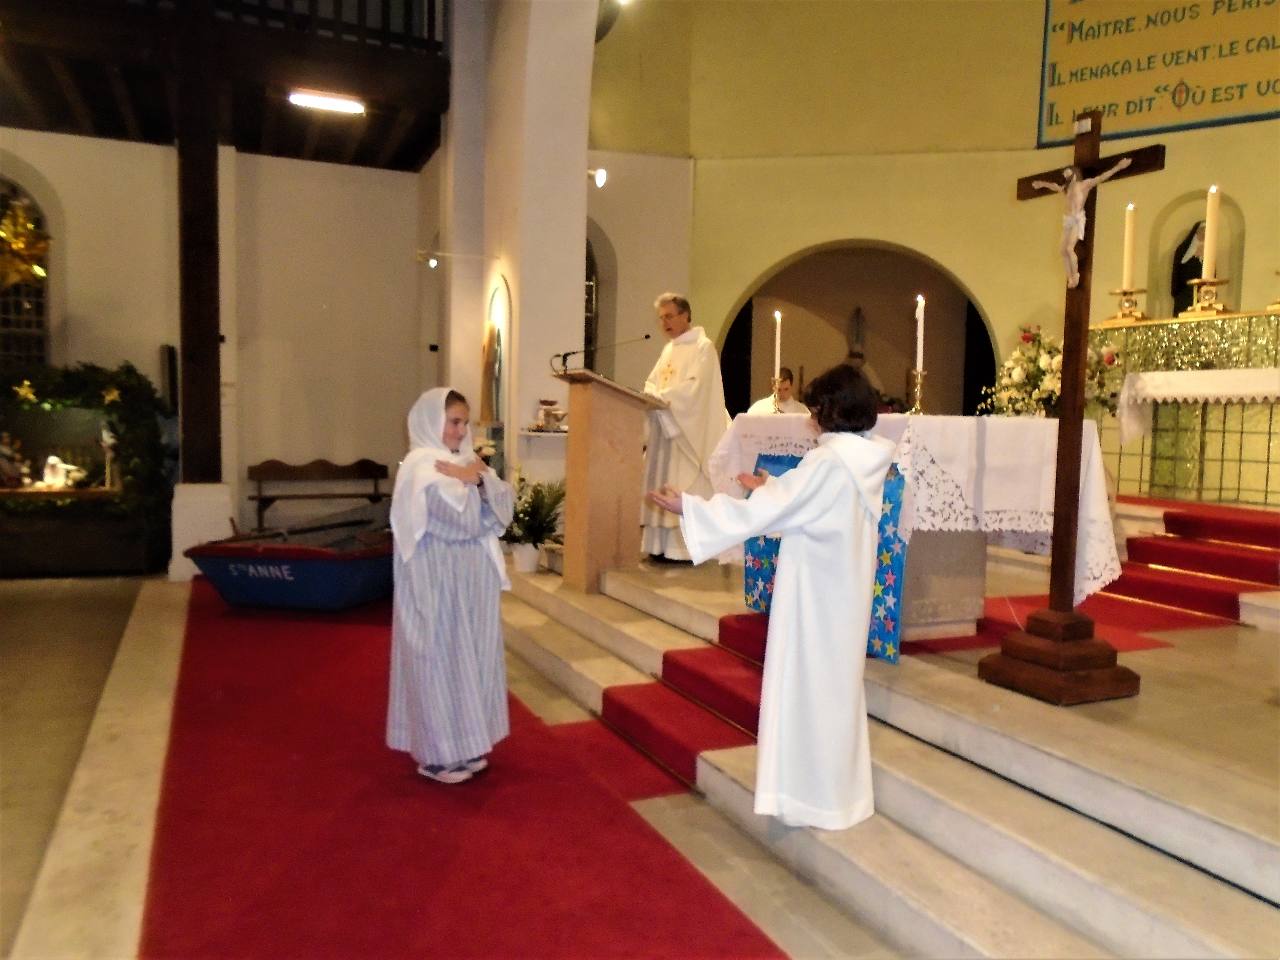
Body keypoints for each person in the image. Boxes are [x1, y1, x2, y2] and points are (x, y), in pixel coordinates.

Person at [647, 364, 894, 830]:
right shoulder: (865, 458)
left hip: (815, 601)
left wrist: (691, 507)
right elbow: (807, 505)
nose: (811, 419)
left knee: (809, 692)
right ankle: (838, 796)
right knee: (834, 693)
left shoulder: (830, 462)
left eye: (815, 410)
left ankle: (811, 800)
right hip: (841, 596)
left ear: (830, 411)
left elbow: (769, 512)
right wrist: (773, 489)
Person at [387, 387, 515, 785]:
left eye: (464, 423)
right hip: (437, 584)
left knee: (471, 660)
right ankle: (438, 755)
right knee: (440, 662)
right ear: (431, 421)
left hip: (470, 584)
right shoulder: (422, 467)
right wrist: (476, 483)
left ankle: (468, 744)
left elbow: (504, 509)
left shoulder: (462, 462)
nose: (461, 431)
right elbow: (462, 522)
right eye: (453, 422)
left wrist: (475, 480)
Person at [641, 292, 730, 561]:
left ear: (685, 315)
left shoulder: (703, 347)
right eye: (661, 318)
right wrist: (653, 395)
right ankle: (659, 547)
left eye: (669, 316)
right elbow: (651, 382)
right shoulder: (669, 350)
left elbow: (696, 390)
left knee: (684, 483)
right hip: (667, 428)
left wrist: (664, 398)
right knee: (664, 482)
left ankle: (682, 550)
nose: (664, 323)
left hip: (687, 432)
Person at [1032, 156, 1132, 288]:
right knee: (1062, 250)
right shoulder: (1066, 189)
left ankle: (1076, 275)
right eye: (1065, 176)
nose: (1067, 177)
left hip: (1077, 219)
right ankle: (1070, 277)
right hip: (1068, 220)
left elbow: (1101, 178)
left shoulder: (1084, 185)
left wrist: (1118, 167)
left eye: (1068, 174)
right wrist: (1041, 184)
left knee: (1069, 248)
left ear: (1075, 174)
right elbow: (1055, 186)